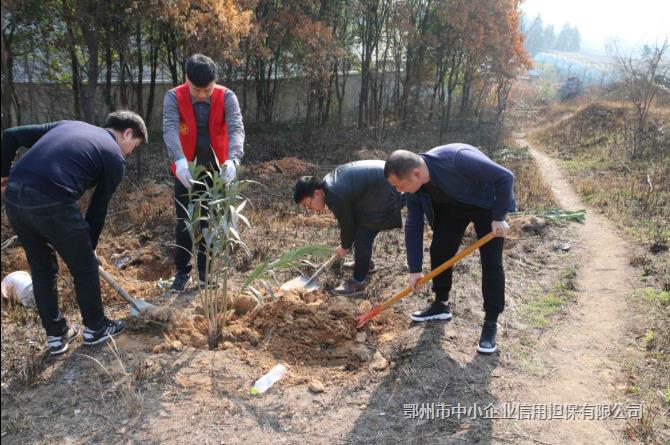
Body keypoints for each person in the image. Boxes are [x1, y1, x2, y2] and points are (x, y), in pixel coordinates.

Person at [1, 111, 147, 354]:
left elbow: (10, 135)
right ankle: (95, 329)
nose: (130, 152)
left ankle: (56, 337)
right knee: (84, 267)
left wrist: (3, 172)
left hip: (15, 197)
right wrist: (89, 247)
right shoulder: (114, 158)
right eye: (134, 145)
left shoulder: (67, 124)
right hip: (52, 199)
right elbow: (98, 208)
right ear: (127, 133)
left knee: (42, 270)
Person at [384, 144, 514, 354]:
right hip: (453, 206)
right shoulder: (415, 188)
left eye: (399, 186)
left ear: (415, 173)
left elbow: (505, 177)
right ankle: (441, 303)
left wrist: (499, 217)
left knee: (491, 262)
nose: (399, 191)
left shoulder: (457, 159)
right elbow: (413, 224)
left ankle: (491, 321)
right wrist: (415, 268)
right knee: (440, 250)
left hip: (486, 203)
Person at [162, 54, 245, 293]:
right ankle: (182, 272)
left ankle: (205, 273)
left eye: (206, 90)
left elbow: (236, 128)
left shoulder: (226, 96)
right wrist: (178, 160)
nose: (201, 94)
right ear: (186, 78)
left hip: (217, 173)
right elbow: (169, 128)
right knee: (184, 224)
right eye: (196, 89)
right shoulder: (173, 97)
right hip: (185, 172)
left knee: (209, 224)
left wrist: (233, 160)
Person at [293, 160, 404, 296]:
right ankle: (365, 263)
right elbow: (350, 222)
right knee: (362, 229)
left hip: (388, 187)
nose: (309, 209)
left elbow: (347, 224)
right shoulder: (328, 185)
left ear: (317, 193)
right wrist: (346, 243)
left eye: (307, 204)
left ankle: (358, 282)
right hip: (382, 183)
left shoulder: (334, 195)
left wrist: (345, 246)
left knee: (364, 234)